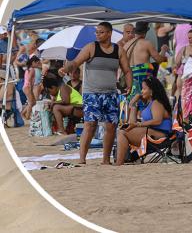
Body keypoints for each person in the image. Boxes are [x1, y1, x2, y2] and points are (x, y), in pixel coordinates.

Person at [59, 22, 130, 164]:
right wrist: (66, 69)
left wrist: (129, 85)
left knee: (111, 126)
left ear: (109, 33)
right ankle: (82, 159)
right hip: (92, 93)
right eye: (96, 32)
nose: (98, 35)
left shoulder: (119, 50)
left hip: (111, 94)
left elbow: (127, 70)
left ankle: (105, 160)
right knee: (90, 125)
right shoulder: (91, 47)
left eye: (101, 32)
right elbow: (76, 62)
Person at [115, 77, 174, 166]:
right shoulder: (150, 104)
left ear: (152, 91)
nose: (141, 91)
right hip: (153, 132)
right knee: (123, 131)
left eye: (144, 89)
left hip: (160, 135)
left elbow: (157, 121)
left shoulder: (156, 103)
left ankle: (119, 162)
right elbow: (132, 122)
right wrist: (134, 104)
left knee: (122, 132)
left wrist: (138, 125)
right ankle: (122, 160)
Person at [121, 21, 168, 97]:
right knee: (143, 100)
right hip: (143, 79)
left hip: (129, 78)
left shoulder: (126, 45)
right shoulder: (146, 43)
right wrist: (163, 51)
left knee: (132, 100)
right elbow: (159, 60)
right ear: (145, 32)